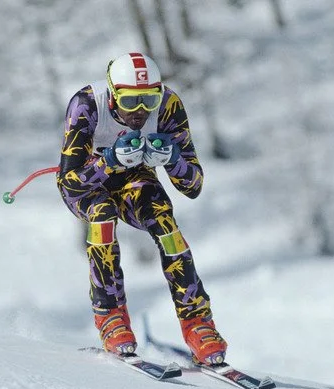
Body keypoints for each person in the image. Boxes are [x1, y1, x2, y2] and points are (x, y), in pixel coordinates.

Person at [56, 53, 227, 365]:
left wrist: (173, 160)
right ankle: (110, 315)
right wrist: (108, 161)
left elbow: (194, 186)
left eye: (148, 100)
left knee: (166, 226)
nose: (140, 112)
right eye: (131, 101)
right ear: (113, 95)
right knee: (102, 216)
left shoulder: (168, 106)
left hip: (134, 179)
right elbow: (70, 182)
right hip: (90, 184)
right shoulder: (86, 104)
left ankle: (197, 322)